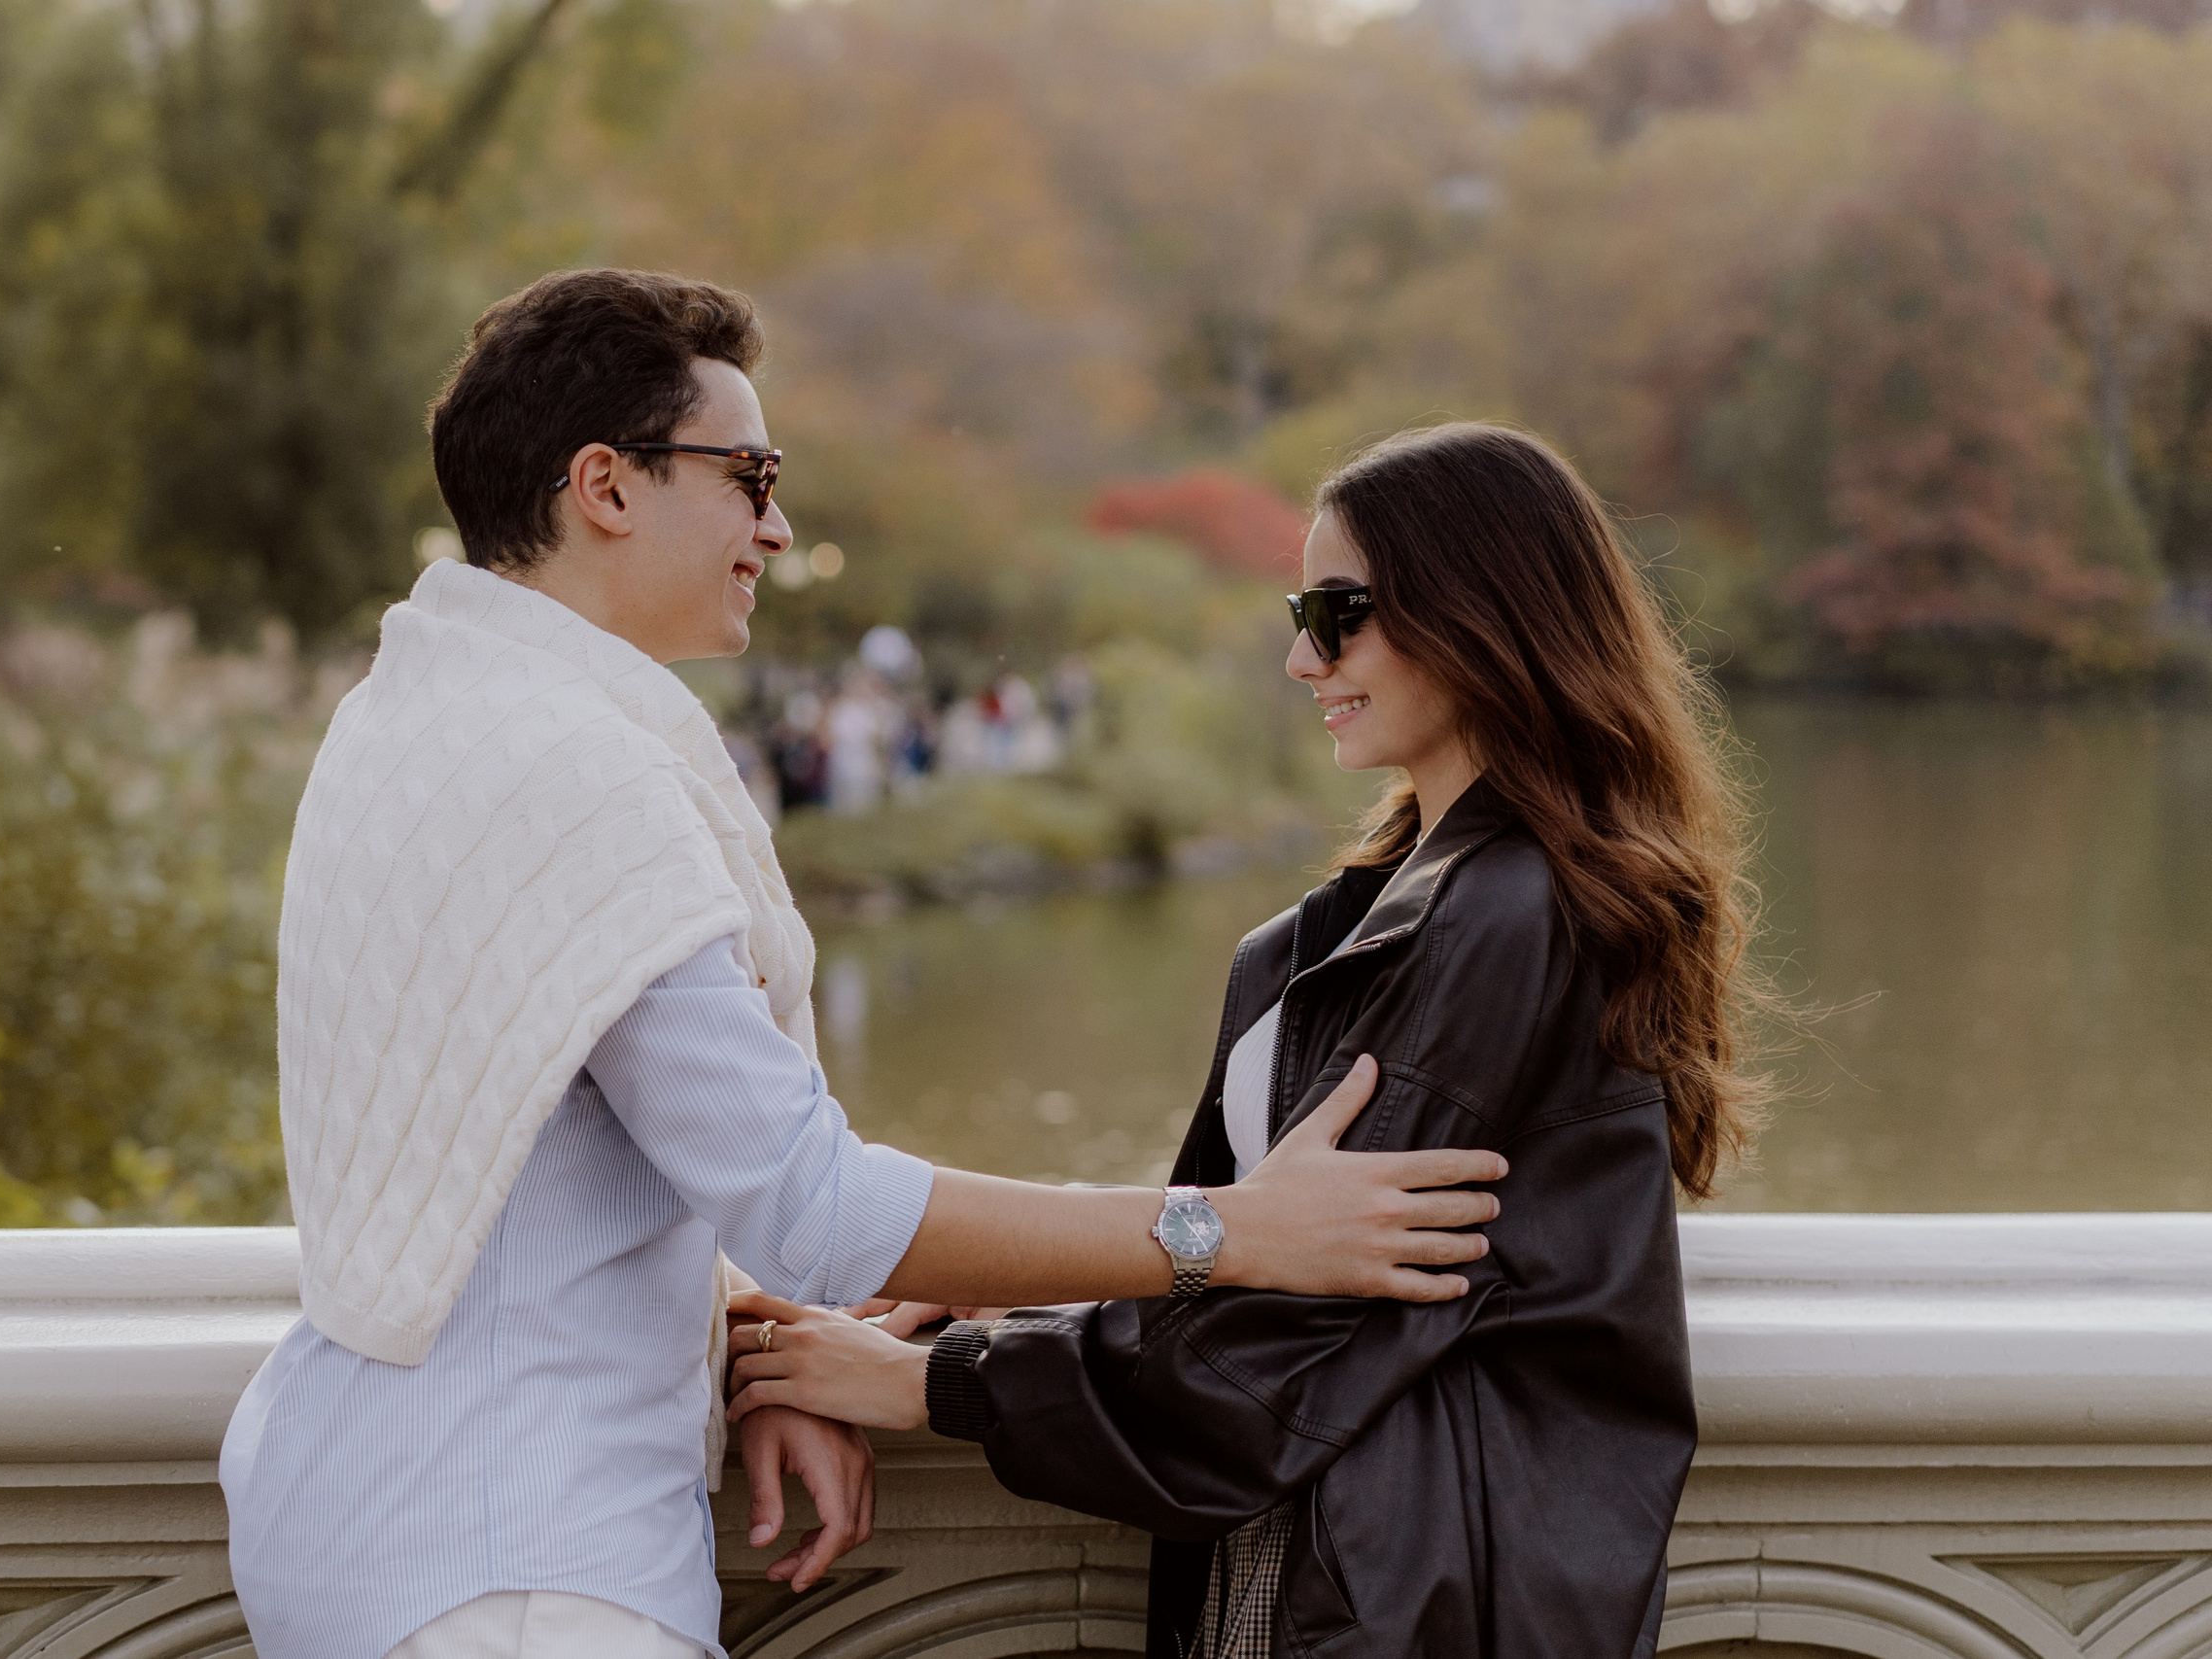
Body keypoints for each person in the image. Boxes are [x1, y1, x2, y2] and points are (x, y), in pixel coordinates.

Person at [217, 271, 1509, 1659]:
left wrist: (752, 1341)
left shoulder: (415, 713)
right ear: (606, 483)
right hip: (514, 1566)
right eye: (749, 474)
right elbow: (813, 1202)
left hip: (358, 1512)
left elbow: (517, 1154)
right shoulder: (572, 768)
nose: (776, 524)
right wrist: (1229, 1231)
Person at [724, 423, 1778, 1659]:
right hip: (1358, 1580)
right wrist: (1030, 1274)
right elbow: (1264, 1235)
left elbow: (1309, 1325)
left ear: (1481, 612)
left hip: (1419, 1604)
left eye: (1340, 614)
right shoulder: (1388, 912)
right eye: (1301, 610)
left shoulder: (1511, 913)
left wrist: (936, 1383)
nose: (1299, 656)